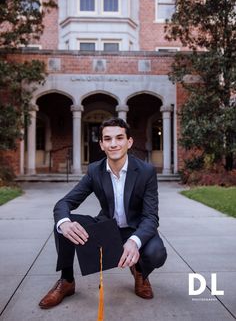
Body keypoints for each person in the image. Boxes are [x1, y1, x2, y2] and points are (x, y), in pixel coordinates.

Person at [39, 117, 167, 309]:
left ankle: (140, 272)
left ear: (129, 142)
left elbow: (151, 217)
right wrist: (64, 223)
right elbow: (64, 203)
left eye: (119, 138)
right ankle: (66, 281)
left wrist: (135, 241)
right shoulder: (95, 171)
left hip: (135, 229)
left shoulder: (146, 171)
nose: (113, 144)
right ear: (101, 144)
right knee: (63, 225)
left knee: (156, 253)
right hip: (107, 228)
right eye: (107, 139)